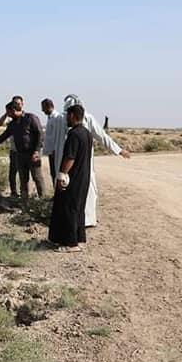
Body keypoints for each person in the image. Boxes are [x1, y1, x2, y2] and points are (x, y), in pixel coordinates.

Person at [44, 94, 131, 227]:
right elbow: (51, 138)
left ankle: (87, 220)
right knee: (65, 190)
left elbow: (102, 136)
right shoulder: (59, 119)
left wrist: (118, 150)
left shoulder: (87, 119)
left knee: (87, 190)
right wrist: (49, 153)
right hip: (64, 160)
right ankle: (68, 221)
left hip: (82, 163)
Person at [48, 104, 93, 252]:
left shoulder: (74, 134)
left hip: (73, 178)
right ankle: (78, 238)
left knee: (69, 208)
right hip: (83, 177)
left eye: (67, 115)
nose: (66, 118)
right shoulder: (86, 133)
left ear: (72, 115)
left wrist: (61, 175)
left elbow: (70, 157)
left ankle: (71, 244)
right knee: (78, 208)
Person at [0, 100, 45, 200]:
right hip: (20, 155)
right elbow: (3, 137)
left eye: (9, 113)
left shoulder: (31, 118)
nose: (8, 115)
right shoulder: (13, 124)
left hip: (33, 154)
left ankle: (43, 200)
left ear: (14, 110)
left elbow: (40, 134)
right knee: (23, 180)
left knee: (37, 178)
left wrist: (36, 151)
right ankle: (24, 202)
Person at [0, 95, 27, 199]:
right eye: (15, 104)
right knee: (12, 172)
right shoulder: (12, 119)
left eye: (18, 103)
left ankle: (24, 194)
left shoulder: (26, 117)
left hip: (23, 150)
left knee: (23, 173)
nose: (17, 105)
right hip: (13, 149)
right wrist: (7, 113)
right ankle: (14, 192)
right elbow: (0, 124)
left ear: (22, 104)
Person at [40, 98, 58, 188]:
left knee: (56, 174)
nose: (42, 110)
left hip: (55, 152)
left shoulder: (56, 118)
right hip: (52, 152)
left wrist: (55, 150)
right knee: (53, 174)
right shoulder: (50, 117)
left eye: (43, 108)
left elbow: (57, 136)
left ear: (48, 107)